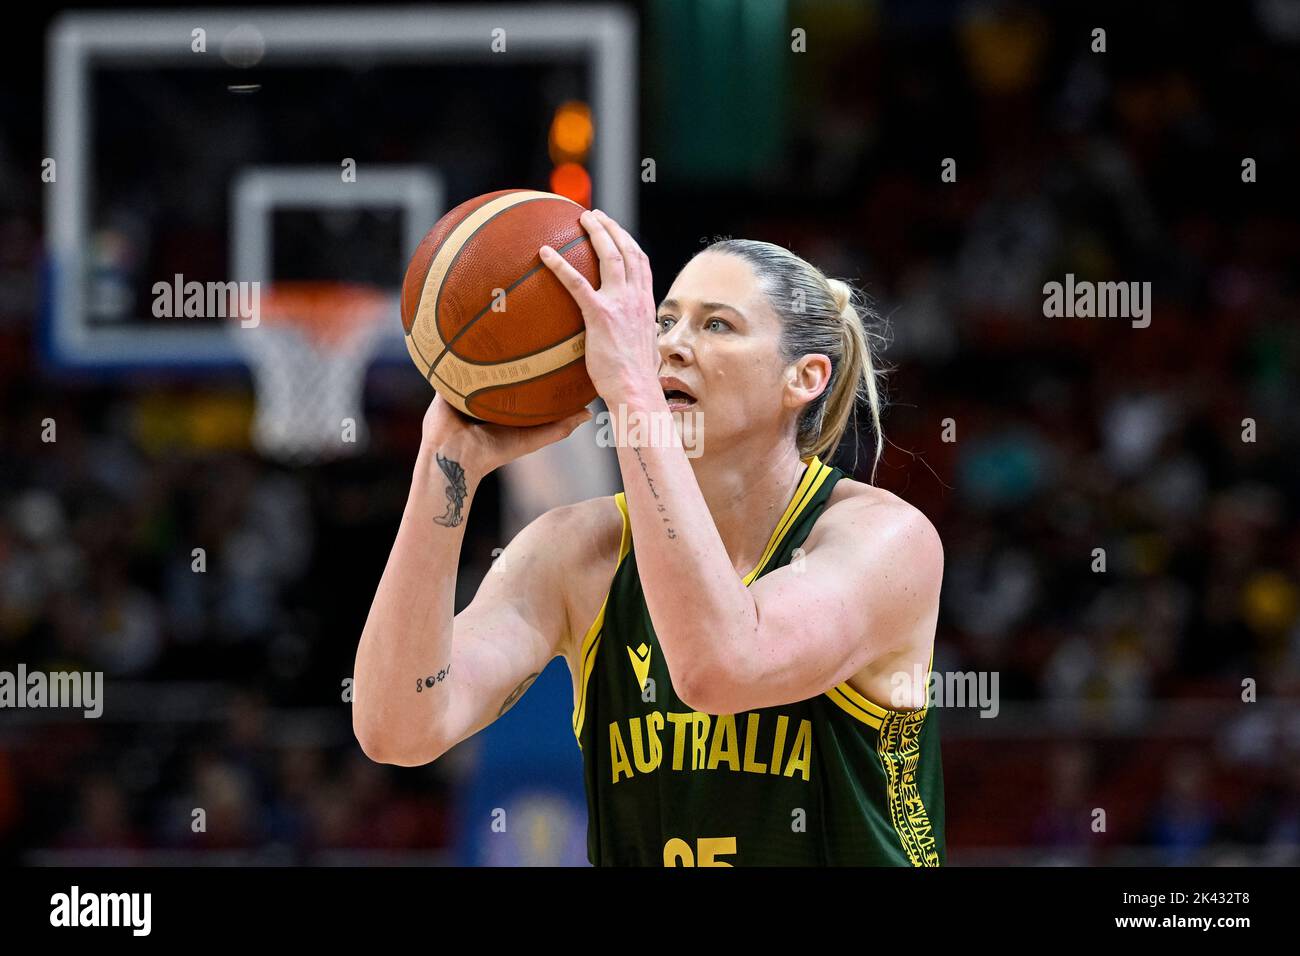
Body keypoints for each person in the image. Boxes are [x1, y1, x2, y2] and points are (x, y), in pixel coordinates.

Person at [353, 209, 945, 865]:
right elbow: (398, 729)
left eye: (716, 324)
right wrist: (446, 464)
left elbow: (721, 668)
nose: (669, 345)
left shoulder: (883, 540)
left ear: (803, 379)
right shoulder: (577, 551)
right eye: (661, 322)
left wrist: (632, 388)